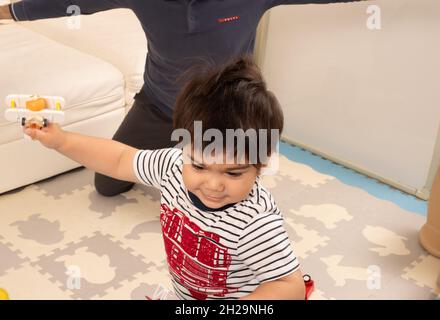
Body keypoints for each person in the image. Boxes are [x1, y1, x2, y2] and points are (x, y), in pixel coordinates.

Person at [0, 0, 365, 197]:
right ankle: (179, 158)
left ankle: (192, 162)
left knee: (215, 198)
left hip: (221, 114)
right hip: (158, 104)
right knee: (107, 186)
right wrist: (9, 12)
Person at [23, 56, 306, 300]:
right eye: (199, 167)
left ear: (263, 161)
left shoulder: (255, 222)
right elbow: (120, 159)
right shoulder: (172, 167)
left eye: (233, 173)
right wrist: (62, 140)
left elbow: (289, 286)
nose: (213, 184)